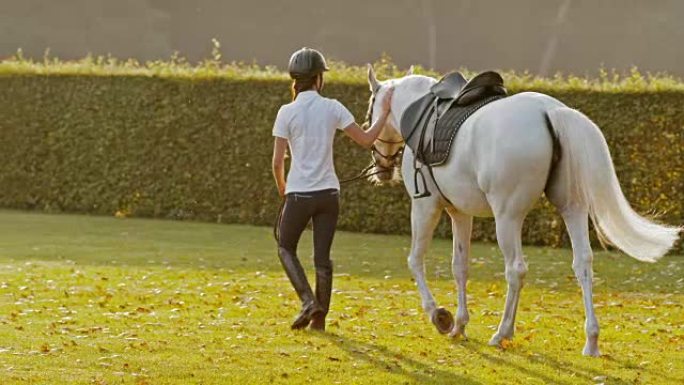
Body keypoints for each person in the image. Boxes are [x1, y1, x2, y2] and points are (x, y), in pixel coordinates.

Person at [272, 47, 393, 331]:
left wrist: (282, 188)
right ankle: (319, 321)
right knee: (322, 258)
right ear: (318, 79)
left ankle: (307, 302)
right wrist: (384, 114)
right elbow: (365, 141)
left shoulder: (286, 112)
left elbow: (278, 161)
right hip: (329, 195)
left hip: (299, 195)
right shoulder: (333, 107)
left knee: (285, 247)